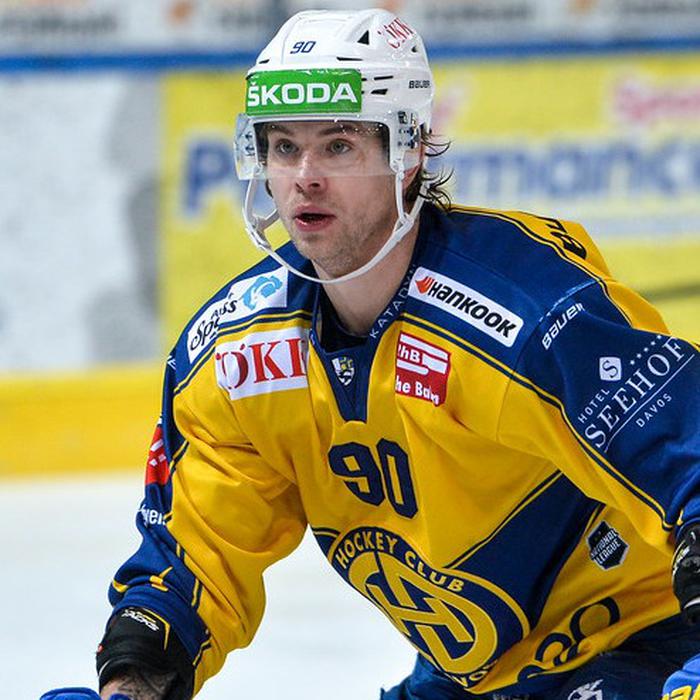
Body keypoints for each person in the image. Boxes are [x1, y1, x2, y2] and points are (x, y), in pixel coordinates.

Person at [42, 8, 700, 700]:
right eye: (284, 147)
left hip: (646, 642)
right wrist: (132, 684)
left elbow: (683, 453)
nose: (304, 177)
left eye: (338, 146)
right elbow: (191, 563)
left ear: (408, 152)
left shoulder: (528, 312)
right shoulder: (233, 357)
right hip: (474, 679)